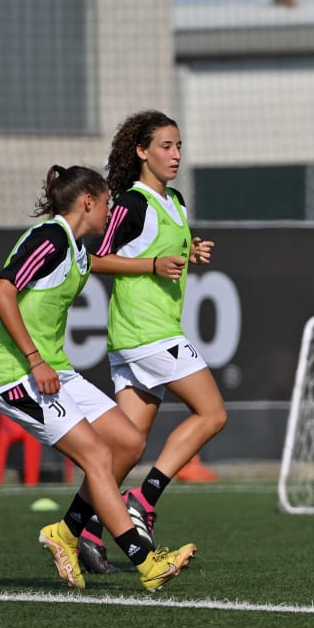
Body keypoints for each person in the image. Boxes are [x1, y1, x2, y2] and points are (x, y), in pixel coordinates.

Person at [0, 165, 195, 591]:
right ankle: (147, 562)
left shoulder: (74, 248)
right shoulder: (49, 238)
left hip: (54, 370)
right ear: (88, 202)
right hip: (16, 374)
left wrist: (156, 262)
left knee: (129, 443)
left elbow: (101, 262)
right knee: (97, 456)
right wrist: (35, 360)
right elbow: (1, 293)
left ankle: (64, 533)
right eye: (106, 202)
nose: (112, 210)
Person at [77, 110, 227, 574]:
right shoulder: (129, 203)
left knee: (126, 446)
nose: (176, 154)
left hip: (147, 334)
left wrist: (190, 253)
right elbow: (92, 260)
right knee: (214, 413)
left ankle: (82, 528)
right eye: (166, 146)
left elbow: (161, 254)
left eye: (179, 145)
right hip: (146, 333)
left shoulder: (175, 200)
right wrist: (152, 266)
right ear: (142, 152)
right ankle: (144, 498)